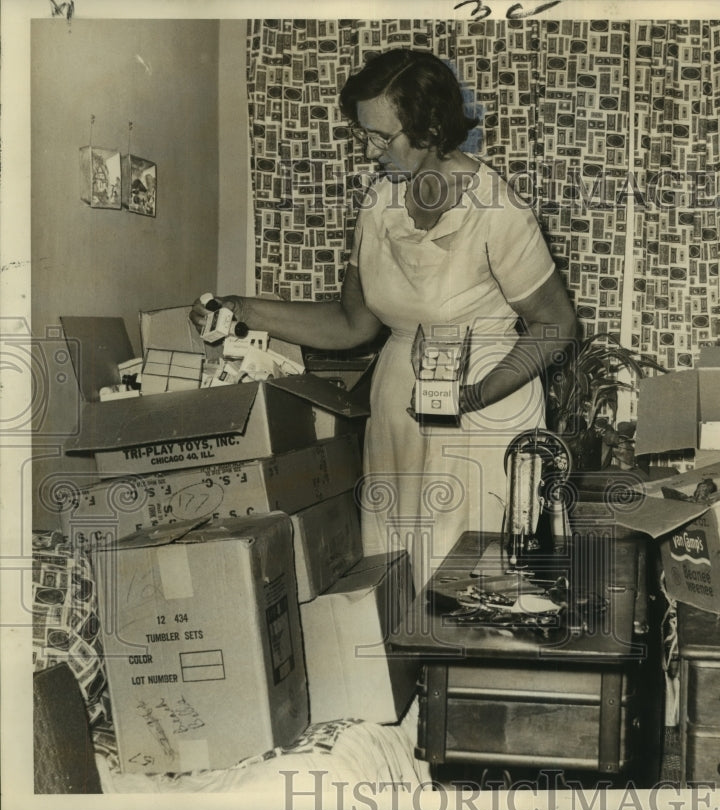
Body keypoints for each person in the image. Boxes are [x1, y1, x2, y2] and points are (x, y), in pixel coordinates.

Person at [191, 49, 578, 594]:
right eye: (363, 136)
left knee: (474, 583)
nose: (370, 152)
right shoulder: (379, 203)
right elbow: (353, 325)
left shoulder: (498, 211)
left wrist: (477, 392)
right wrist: (243, 308)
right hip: (401, 408)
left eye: (381, 137)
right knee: (397, 571)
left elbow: (556, 325)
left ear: (432, 128)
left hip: (485, 411)